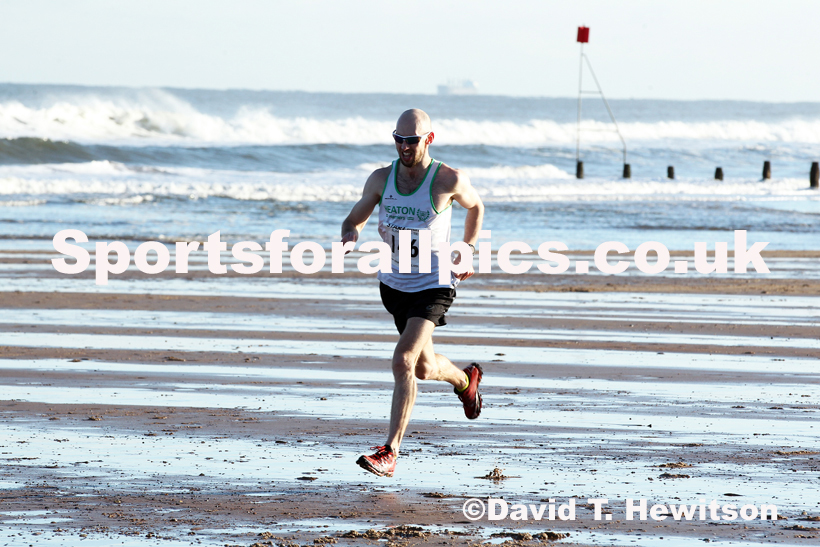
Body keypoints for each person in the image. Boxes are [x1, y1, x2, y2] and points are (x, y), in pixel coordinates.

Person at [340, 109, 485, 477]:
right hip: (394, 287)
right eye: (398, 140)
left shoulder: (447, 179)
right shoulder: (380, 179)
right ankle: (465, 382)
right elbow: (354, 218)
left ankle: (390, 452)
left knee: (403, 359)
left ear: (428, 140)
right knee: (422, 367)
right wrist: (350, 234)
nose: (405, 147)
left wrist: (468, 248)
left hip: (434, 285)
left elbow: (476, 207)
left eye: (412, 141)